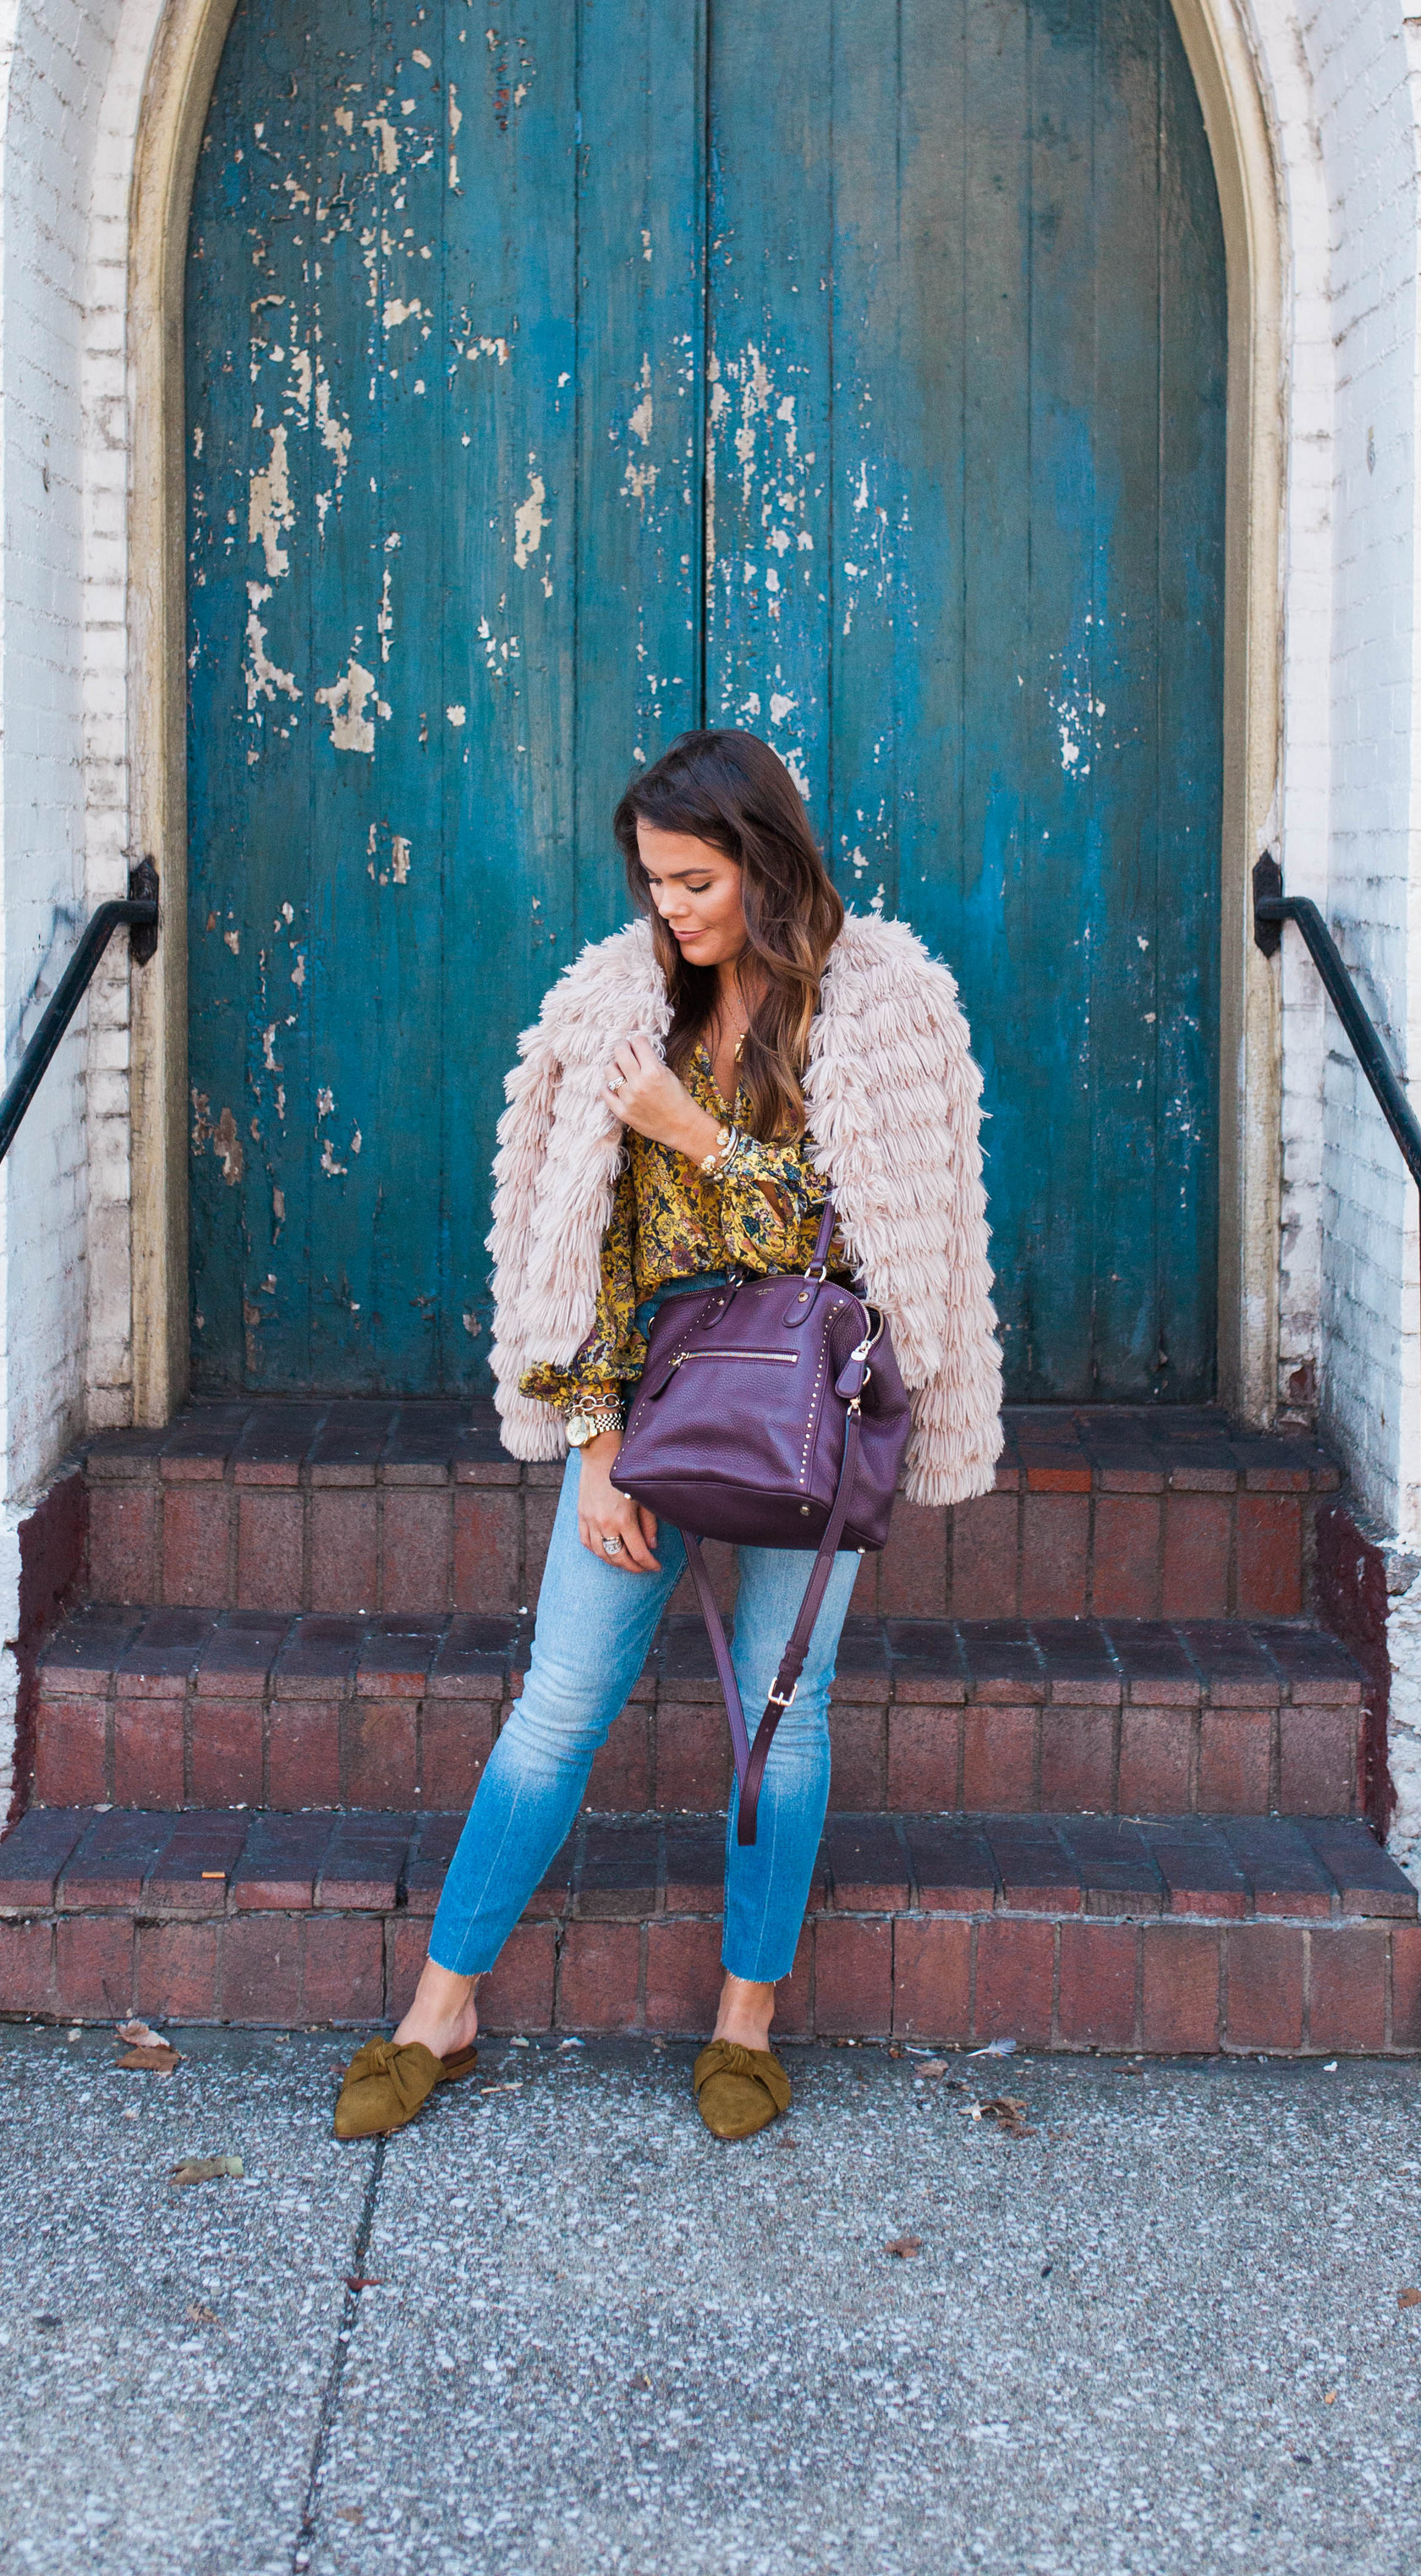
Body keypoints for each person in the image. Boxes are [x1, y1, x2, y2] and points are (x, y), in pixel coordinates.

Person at [332, 728, 1001, 2144]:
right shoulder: (621, 1009)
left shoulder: (882, 1015)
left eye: (695, 881)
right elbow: (589, 1251)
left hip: (813, 1416)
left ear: (766, 858)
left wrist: (690, 1132)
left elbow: (859, 1246)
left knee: (781, 1717)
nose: (673, 912)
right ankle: (437, 2011)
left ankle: (743, 2027)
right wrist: (592, 1442)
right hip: (651, 1406)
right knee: (558, 1704)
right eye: (653, 885)